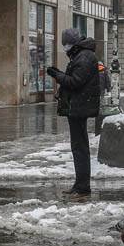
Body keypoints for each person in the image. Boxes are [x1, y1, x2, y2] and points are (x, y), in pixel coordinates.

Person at [47, 28, 100, 199]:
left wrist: (57, 75)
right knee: (78, 147)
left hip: (79, 107)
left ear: (73, 43)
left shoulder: (84, 57)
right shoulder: (82, 55)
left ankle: (83, 186)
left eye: (66, 44)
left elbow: (76, 81)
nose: (65, 48)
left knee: (79, 148)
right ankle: (80, 184)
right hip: (77, 106)